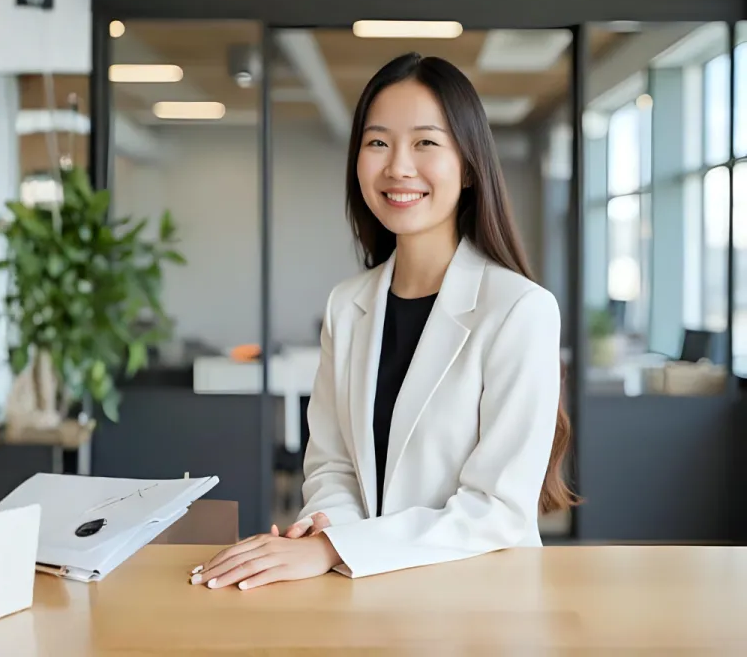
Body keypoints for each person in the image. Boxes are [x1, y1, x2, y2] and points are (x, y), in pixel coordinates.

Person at [191, 52, 579, 590]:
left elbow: (497, 509)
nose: (398, 166)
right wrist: (329, 541)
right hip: (362, 593)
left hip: (480, 604)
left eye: (425, 142)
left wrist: (337, 546)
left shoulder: (520, 309)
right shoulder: (345, 306)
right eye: (377, 142)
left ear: (468, 166)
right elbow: (332, 467)